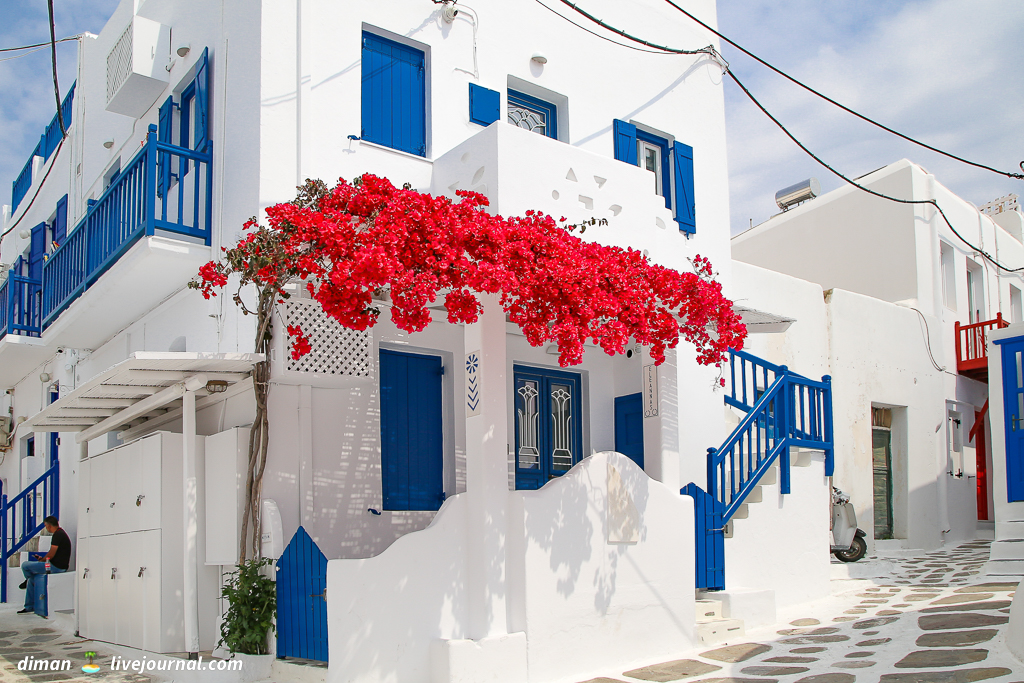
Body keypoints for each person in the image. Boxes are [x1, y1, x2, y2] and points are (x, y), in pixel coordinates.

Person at [19, 516, 71, 618]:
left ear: (49, 526)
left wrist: (42, 560)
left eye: (46, 526)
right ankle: (29, 607)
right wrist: (42, 559)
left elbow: (51, 554)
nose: (46, 528)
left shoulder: (58, 535)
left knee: (25, 565)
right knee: (31, 580)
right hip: (56, 565)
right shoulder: (60, 533)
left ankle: (27, 579)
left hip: (56, 567)